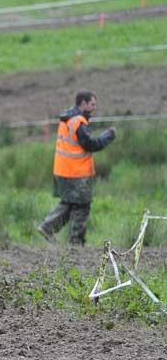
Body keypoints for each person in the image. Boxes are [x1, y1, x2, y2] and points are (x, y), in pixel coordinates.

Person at [37, 90, 116, 245]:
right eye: (92, 104)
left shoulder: (67, 119)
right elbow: (90, 145)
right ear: (83, 103)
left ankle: (48, 227)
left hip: (62, 170)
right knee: (82, 206)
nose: (94, 108)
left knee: (69, 203)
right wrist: (109, 135)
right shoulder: (78, 122)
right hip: (77, 172)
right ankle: (76, 242)